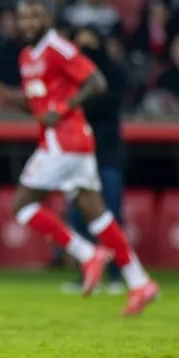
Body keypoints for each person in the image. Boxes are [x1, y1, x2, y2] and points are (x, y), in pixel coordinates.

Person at [0, 0, 158, 316]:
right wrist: (0, 91)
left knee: (22, 205)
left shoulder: (57, 47)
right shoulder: (27, 56)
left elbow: (96, 82)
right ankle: (139, 282)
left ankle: (87, 254)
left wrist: (64, 106)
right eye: (24, 17)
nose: (29, 22)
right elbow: (34, 107)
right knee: (98, 217)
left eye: (36, 16)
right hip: (70, 143)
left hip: (65, 141)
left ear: (49, 18)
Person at [62, 28, 126, 293]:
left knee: (110, 216)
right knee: (78, 217)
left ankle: (115, 276)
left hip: (107, 156)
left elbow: (107, 99)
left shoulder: (111, 73)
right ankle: (86, 274)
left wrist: (96, 53)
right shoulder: (72, 74)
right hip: (79, 156)